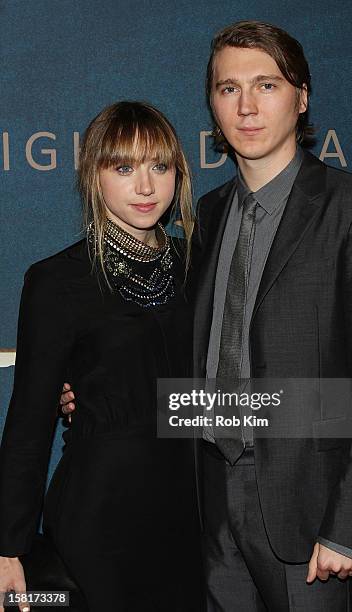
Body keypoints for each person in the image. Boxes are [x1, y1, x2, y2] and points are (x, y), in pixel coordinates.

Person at [61, 21, 352, 612]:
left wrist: (351, 522)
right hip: (207, 509)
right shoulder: (206, 218)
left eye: (266, 85)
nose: (246, 106)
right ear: (212, 105)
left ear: (301, 98)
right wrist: (97, 395)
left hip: (310, 516)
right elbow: (201, 367)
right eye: (228, 89)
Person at [0, 101, 204, 611]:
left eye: (160, 166)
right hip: (102, 511)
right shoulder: (57, 281)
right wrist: (8, 548)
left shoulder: (200, 264)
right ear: (94, 174)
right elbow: (28, 424)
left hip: (194, 509)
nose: (145, 186)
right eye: (123, 167)